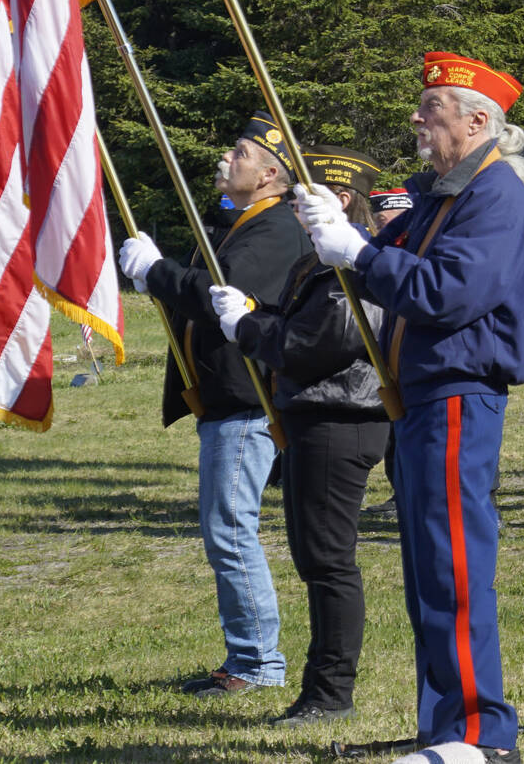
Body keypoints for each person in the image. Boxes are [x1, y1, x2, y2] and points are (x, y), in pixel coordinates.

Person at [295, 54, 524, 763]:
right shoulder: (445, 193)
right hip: (420, 402)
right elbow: (385, 256)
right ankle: (446, 730)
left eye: (431, 105)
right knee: (429, 573)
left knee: (455, 567)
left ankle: (479, 733)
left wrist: (358, 252)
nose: (416, 117)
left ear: (476, 119)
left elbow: (449, 290)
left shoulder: (495, 195)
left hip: (458, 395)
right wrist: (337, 229)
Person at [118, 111, 311, 699]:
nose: (226, 160)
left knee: (230, 530)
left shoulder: (275, 231)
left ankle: (257, 663)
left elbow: (220, 297)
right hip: (228, 400)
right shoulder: (243, 223)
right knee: (226, 528)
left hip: (247, 400)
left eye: (241, 154)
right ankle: (249, 656)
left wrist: (156, 272)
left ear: (272, 174)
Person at [220, 145, 392, 727]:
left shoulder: (349, 263)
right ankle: (323, 687)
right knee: (317, 558)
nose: (294, 203)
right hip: (317, 415)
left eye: (303, 194)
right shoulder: (319, 260)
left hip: (339, 418)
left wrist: (246, 326)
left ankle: (329, 693)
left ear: (340, 199)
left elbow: (317, 343)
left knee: (327, 561)